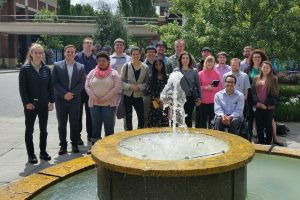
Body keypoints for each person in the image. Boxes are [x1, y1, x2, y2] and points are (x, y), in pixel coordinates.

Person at [19, 43, 54, 164]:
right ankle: (31, 154)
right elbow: (22, 88)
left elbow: (50, 87)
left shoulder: (46, 69)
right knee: (29, 130)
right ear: (31, 54)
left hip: (44, 104)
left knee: (43, 130)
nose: (38, 55)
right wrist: (26, 103)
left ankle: (43, 152)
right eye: (36, 52)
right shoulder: (25, 69)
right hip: (31, 105)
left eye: (40, 53)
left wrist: (52, 101)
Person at [52, 45, 86, 155]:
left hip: (75, 100)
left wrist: (72, 93)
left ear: (75, 53)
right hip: (61, 100)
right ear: (64, 53)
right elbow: (54, 82)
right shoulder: (57, 66)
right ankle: (63, 145)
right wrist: (64, 94)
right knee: (62, 124)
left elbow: (82, 83)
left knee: (74, 123)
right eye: (68, 52)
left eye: (72, 52)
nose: (70, 54)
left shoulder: (80, 67)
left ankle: (74, 144)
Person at [85, 51, 121, 144]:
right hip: (94, 103)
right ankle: (95, 146)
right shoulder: (92, 72)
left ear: (108, 61)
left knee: (109, 126)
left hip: (109, 104)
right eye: (99, 60)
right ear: (97, 61)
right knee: (96, 125)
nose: (101, 62)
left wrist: (105, 98)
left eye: (104, 60)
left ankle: (109, 146)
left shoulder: (114, 73)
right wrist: (94, 97)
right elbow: (87, 86)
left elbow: (117, 87)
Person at [120, 47, 149, 130]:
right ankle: (128, 134)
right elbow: (121, 81)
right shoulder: (126, 66)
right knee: (128, 117)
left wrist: (139, 87)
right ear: (131, 55)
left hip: (139, 95)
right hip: (127, 95)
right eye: (134, 54)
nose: (135, 56)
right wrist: (130, 86)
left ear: (140, 55)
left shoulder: (145, 67)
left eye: (137, 54)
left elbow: (147, 82)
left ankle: (139, 134)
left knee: (141, 117)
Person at [75, 37, 96, 145]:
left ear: (92, 46)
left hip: (91, 91)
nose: (88, 45)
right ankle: (77, 137)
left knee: (90, 114)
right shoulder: (76, 57)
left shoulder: (96, 59)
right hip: (78, 91)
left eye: (90, 43)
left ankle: (90, 135)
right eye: (86, 43)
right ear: (83, 45)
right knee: (77, 114)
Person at [252, 61, 279, 144]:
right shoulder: (256, 78)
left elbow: (274, 93)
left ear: (270, 69)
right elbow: (253, 92)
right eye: (264, 67)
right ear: (261, 68)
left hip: (268, 107)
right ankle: (261, 141)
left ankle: (268, 141)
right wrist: (257, 103)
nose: (265, 69)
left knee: (268, 125)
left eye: (267, 68)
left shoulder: (274, 78)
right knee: (259, 124)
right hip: (258, 106)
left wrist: (266, 104)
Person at [173, 51, 201, 127]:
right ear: (180, 60)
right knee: (178, 119)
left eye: (187, 58)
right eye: (183, 58)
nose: (185, 60)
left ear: (189, 60)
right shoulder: (176, 70)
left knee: (188, 118)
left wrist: (199, 98)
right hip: (179, 98)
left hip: (190, 98)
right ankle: (178, 137)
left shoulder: (194, 71)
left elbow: (198, 85)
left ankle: (188, 136)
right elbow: (173, 85)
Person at [245, 49, 268, 137]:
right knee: (251, 116)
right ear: (252, 58)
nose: (256, 58)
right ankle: (250, 134)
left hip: (264, 97)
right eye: (254, 57)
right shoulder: (248, 69)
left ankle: (262, 134)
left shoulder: (266, 68)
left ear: (262, 58)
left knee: (262, 117)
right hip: (251, 96)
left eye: (258, 57)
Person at [197, 56, 222, 128]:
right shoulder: (200, 73)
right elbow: (197, 87)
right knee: (203, 121)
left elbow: (219, 88)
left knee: (212, 121)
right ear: (205, 63)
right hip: (203, 101)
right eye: (208, 61)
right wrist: (205, 87)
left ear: (214, 63)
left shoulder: (217, 73)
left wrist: (212, 89)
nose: (210, 63)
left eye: (211, 61)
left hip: (213, 101)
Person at [148, 59, 169, 127]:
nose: (158, 66)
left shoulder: (167, 77)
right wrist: (157, 99)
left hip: (165, 102)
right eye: (156, 64)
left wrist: (163, 100)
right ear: (154, 66)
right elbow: (149, 90)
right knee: (154, 123)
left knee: (164, 122)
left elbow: (170, 90)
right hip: (155, 102)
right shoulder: (151, 77)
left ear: (163, 65)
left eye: (160, 64)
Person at [143, 45, 157, 127]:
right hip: (146, 95)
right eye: (149, 52)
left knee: (157, 113)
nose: (151, 54)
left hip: (157, 95)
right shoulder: (142, 65)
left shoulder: (159, 64)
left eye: (153, 52)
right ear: (145, 54)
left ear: (156, 54)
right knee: (146, 115)